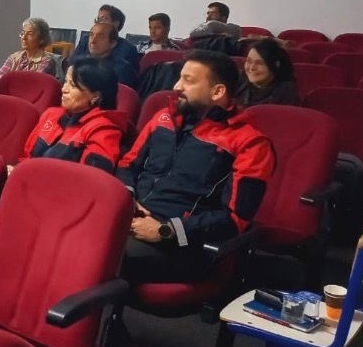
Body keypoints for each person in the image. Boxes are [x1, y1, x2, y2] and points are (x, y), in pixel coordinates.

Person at [117, 50, 275, 285]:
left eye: (188, 81)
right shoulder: (164, 118)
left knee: (96, 253)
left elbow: (235, 220)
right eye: (179, 78)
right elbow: (127, 165)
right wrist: (127, 198)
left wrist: (166, 230)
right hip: (129, 221)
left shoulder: (250, 143)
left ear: (217, 92)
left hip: (180, 245)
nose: (176, 86)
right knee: (66, 235)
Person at [11, 57, 124, 173]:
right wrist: (16, 171)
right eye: (65, 82)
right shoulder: (51, 114)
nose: (64, 89)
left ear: (95, 96)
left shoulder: (104, 131)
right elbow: (27, 158)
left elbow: (90, 178)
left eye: (73, 85)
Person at [238, 38, 300, 106]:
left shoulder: (287, 93)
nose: (251, 67)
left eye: (259, 63)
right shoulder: (239, 81)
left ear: (276, 65)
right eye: (249, 61)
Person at [73, 4, 139, 67]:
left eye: (104, 19)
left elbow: (128, 72)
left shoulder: (128, 48)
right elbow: (72, 62)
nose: (99, 23)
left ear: (116, 23)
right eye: (98, 19)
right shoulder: (86, 40)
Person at [85, 21, 139, 89]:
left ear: (113, 44)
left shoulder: (122, 69)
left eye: (100, 37)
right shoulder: (81, 63)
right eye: (91, 35)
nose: (93, 41)